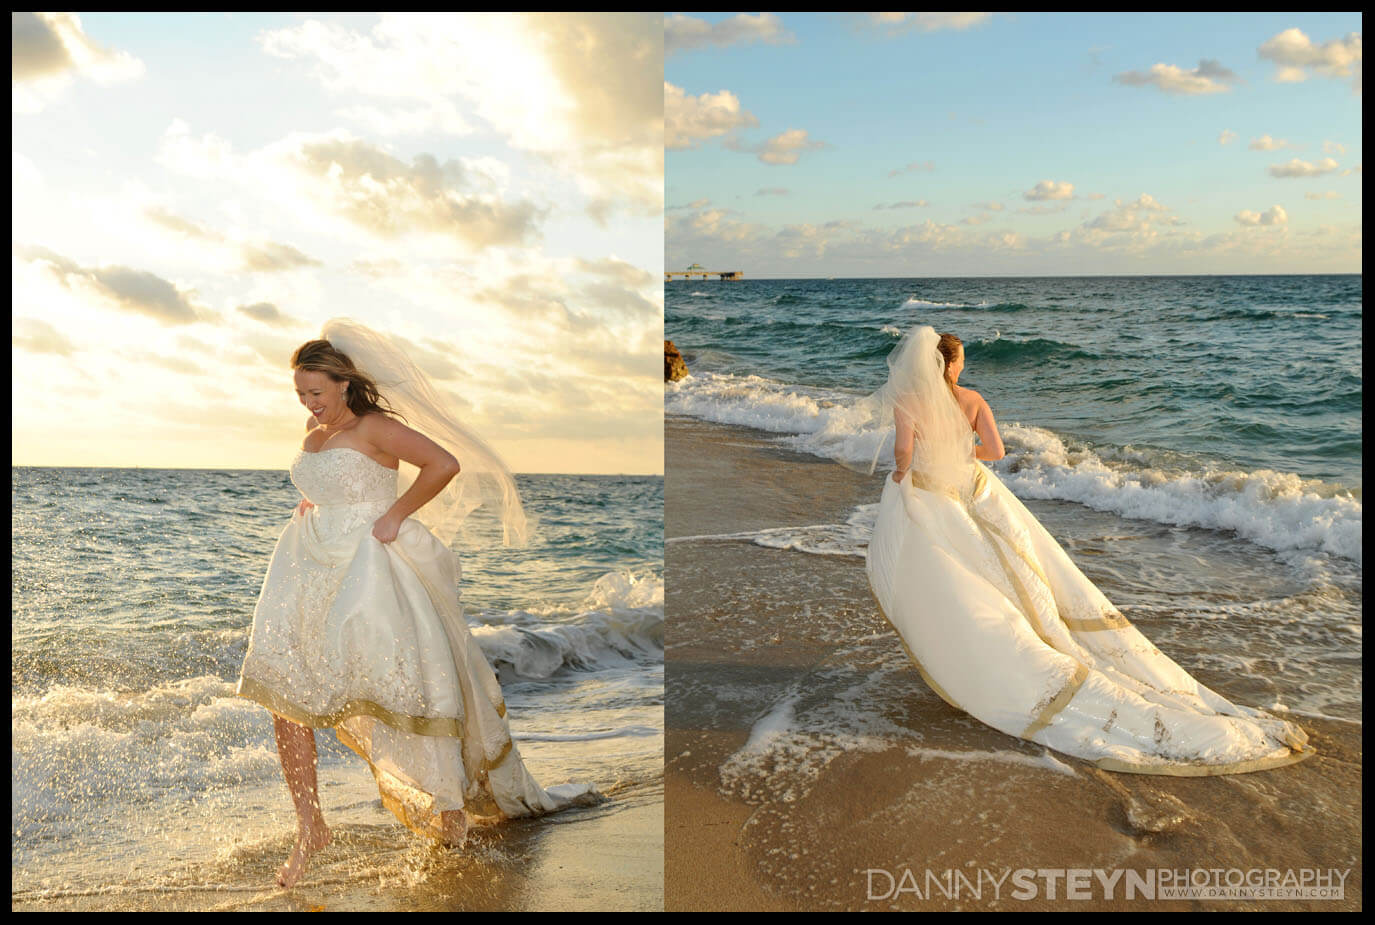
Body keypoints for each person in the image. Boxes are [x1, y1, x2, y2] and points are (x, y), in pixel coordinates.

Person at [236, 319, 598, 889]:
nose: (310, 405)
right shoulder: (315, 428)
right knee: (285, 697)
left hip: (368, 572)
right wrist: (315, 502)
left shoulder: (376, 427)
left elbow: (444, 464)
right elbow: (326, 481)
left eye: (318, 394)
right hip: (304, 567)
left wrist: (395, 515)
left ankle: (448, 817)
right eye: (301, 395)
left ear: (344, 384)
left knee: (405, 692)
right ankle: (310, 826)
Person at [864, 325, 1313, 775]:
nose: (964, 365)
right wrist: (962, 450)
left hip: (931, 493)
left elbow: (903, 452)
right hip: (973, 487)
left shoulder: (909, 402)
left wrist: (910, 470)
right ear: (952, 363)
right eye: (962, 359)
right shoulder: (974, 400)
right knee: (1018, 572)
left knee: (949, 576)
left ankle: (965, 655)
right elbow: (996, 451)